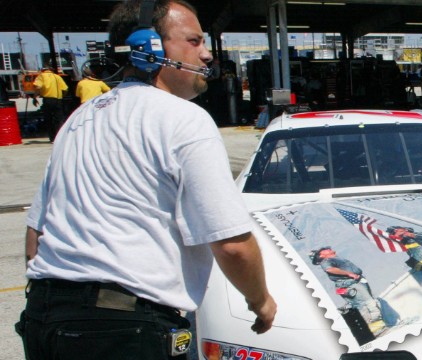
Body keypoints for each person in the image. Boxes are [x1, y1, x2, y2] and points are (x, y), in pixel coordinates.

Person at [15, 1, 276, 359]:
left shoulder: (80, 119)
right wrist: (260, 300)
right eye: (194, 41)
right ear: (148, 46)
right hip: (122, 330)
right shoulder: (185, 119)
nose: (206, 56)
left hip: (45, 318)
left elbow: (36, 236)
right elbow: (231, 243)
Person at [309, 246, 385, 336]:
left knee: (369, 303)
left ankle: (379, 328)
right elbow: (330, 269)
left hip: (356, 283)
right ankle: (376, 330)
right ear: (321, 255)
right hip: (349, 285)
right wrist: (349, 274)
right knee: (367, 305)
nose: (328, 248)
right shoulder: (325, 261)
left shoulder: (334, 259)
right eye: (324, 250)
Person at [33, 64, 68, 142]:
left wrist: (35, 97)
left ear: (43, 70)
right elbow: (65, 89)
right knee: (59, 119)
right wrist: (62, 96)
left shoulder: (42, 76)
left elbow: (38, 87)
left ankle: (52, 138)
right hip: (58, 100)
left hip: (48, 100)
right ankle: (61, 137)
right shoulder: (57, 77)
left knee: (49, 119)